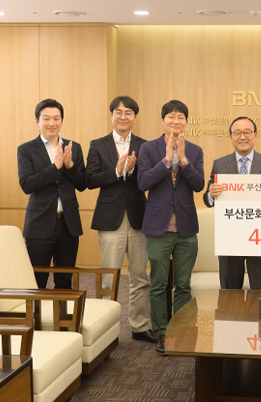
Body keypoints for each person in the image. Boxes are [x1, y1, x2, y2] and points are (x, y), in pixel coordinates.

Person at [86, 96, 156, 344]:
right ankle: (105, 331)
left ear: (135, 117)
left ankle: (140, 326)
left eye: (128, 113)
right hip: (109, 218)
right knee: (109, 278)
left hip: (138, 217)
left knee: (140, 276)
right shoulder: (98, 145)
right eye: (118, 112)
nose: (123, 116)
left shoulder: (145, 146)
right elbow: (90, 180)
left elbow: (149, 181)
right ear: (112, 115)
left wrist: (133, 170)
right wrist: (117, 171)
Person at [137, 100, 204, 355]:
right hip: (158, 229)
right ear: (163, 120)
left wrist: (184, 160)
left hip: (186, 229)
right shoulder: (148, 148)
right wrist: (166, 160)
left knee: (183, 285)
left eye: (181, 117)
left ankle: (181, 331)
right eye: (171, 117)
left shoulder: (195, 150)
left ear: (186, 121)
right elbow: (143, 182)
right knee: (158, 284)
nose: (176, 121)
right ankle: (162, 332)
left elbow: (199, 184)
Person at [17, 98, 86, 289]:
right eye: (46, 118)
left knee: (64, 281)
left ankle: (62, 310)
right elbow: (27, 184)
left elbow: (82, 184)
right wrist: (55, 167)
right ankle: (37, 311)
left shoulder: (74, 147)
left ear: (62, 121)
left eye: (56, 118)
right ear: (37, 121)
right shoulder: (26, 149)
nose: (51, 123)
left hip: (68, 224)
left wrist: (70, 166)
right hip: (39, 225)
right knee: (37, 281)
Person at [204, 116, 261, 290]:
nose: (242, 137)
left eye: (247, 132)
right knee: (229, 291)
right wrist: (211, 194)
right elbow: (208, 199)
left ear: (255, 136)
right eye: (237, 133)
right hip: (230, 236)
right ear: (231, 137)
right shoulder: (220, 164)